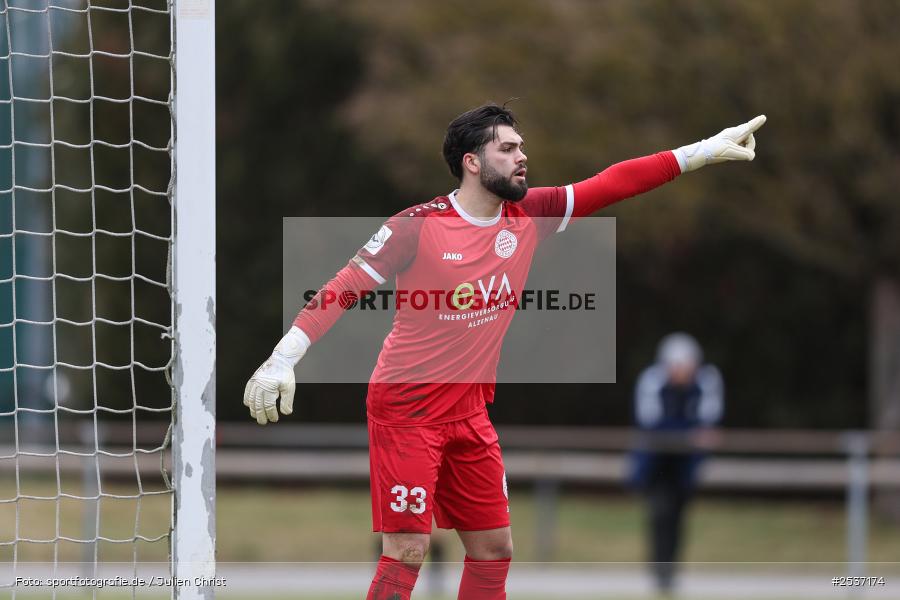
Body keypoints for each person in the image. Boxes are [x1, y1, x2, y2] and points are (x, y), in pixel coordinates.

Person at [243, 104, 762, 600]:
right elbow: (344, 286)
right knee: (407, 550)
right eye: (507, 149)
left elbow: (610, 184)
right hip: (407, 408)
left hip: (469, 410)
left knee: (494, 549)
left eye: (521, 148)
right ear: (472, 163)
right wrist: (284, 357)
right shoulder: (416, 226)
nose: (521, 157)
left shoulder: (528, 214)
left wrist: (697, 153)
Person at [629, 332, 724, 595]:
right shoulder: (653, 382)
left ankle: (670, 571)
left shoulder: (705, 382)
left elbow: (709, 423)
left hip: (685, 465)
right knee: (660, 513)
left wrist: (693, 438)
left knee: (678, 517)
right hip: (656, 463)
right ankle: (659, 571)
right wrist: (690, 434)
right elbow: (651, 423)